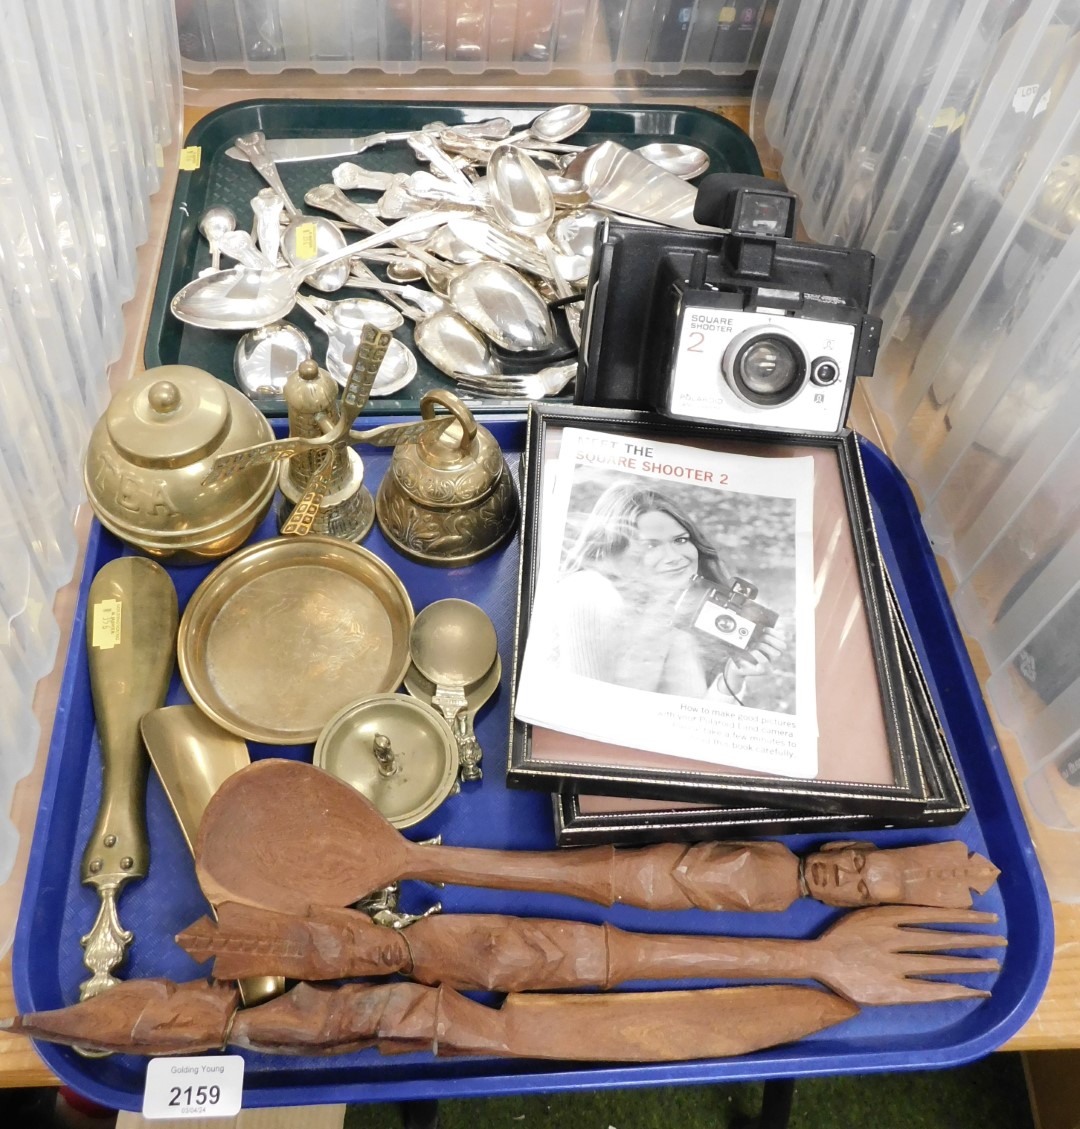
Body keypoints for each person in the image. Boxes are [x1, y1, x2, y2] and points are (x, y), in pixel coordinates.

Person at [551, 482, 787, 704]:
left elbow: (688, 723)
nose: (675, 557)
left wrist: (733, 677)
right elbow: (583, 711)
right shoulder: (589, 592)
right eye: (651, 545)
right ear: (612, 550)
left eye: (681, 540)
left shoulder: (672, 623)